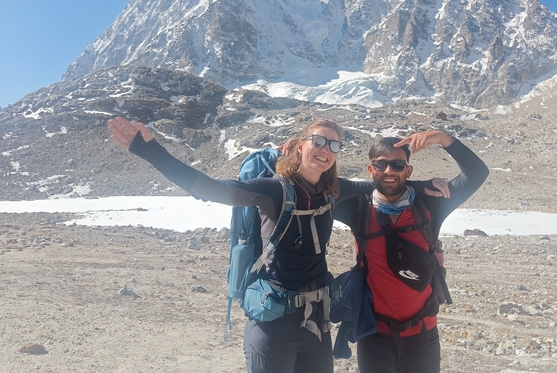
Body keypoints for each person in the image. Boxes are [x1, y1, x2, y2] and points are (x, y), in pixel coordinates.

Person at [107, 116, 447, 373]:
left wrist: (428, 183)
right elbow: (209, 188)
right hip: (274, 321)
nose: (326, 150)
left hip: (316, 321)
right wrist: (150, 150)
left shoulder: (335, 189)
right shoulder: (272, 189)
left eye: (334, 145)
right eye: (319, 141)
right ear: (301, 146)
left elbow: (385, 181)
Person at [334, 131, 489, 373]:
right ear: (370, 169)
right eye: (380, 165)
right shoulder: (358, 206)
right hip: (374, 334)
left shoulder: (432, 202)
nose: (389, 171)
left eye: (397, 165)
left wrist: (442, 138)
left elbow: (477, 174)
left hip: (422, 334)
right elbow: (316, 186)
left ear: (409, 170)